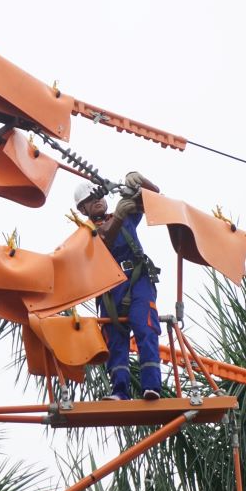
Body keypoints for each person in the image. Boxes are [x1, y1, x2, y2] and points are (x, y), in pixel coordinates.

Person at [75, 172, 163, 401]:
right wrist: (120, 217)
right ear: (82, 209)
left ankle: (151, 386)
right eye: (89, 200)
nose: (96, 200)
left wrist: (139, 180)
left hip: (137, 280)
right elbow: (103, 240)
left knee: (145, 327)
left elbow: (155, 197)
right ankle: (119, 391)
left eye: (98, 195)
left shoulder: (124, 215)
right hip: (109, 287)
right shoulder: (83, 233)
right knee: (115, 340)